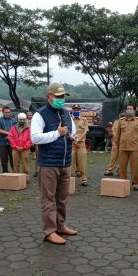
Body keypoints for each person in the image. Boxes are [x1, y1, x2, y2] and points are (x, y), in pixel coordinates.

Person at [31, 83, 77, 245]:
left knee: (62, 198)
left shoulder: (65, 113)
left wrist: (72, 136)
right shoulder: (40, 115)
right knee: (48, 199)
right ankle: (49, 231)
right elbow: (35, 138)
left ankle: (60, 226)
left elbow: (72, 130)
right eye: (58, 97)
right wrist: (57, 133)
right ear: (49, 96)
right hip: (48, 164)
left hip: (65, 162)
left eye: (63, 96)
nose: (61, 99)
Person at [116, 105, 138, 191]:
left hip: (134, 147)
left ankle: (135, 183)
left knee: (135, 167)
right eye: (128, 109)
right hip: (123, 147)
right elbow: (118, 134)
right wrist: (116, 144)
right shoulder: (121, 121)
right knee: (122, 166)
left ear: (134, 110)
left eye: (131, 109)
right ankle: (123, 182)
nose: (129, 110)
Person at [71, 104, 89, 186]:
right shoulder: (69, 120)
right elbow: (68, 131)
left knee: (82, 163)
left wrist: (78, 140)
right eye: (74, 109)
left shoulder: (84, 120)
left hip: (81, 144)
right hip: (71, 144)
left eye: (77, 109)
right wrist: (74, 141)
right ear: (72, 110)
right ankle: (71, 180)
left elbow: (85, 132)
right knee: (71, 163)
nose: (76, 111)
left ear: (80, 110)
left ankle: (84, 180)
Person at [0, 106, 17, 173]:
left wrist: (11, 136)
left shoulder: (14, 120)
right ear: (3, 112)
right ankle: (5, 173)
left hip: (12, 143)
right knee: (4, 159)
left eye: (9, 112)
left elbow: (17, 129)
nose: (7, 114)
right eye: (6, 112)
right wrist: (8, 133)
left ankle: (15, 173)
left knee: (13, 159)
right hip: (2, 143)